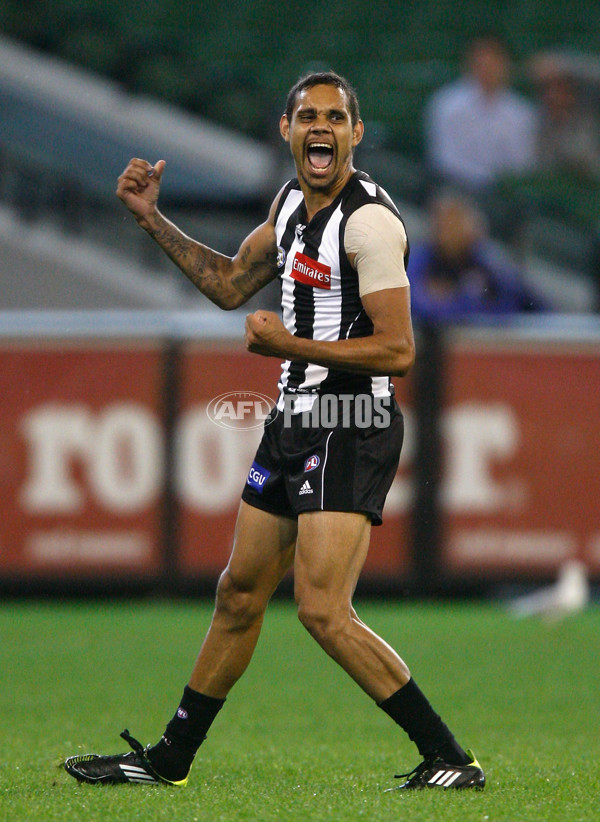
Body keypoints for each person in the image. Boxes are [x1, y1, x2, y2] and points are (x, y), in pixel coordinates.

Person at [63, 71, 485, 792]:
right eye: (306, 116)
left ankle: (448, 756)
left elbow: (399, 350)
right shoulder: (290, 203)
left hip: (352, 420)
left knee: (322, 610)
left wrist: (290, 346)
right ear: (286, 131)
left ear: (354, 134)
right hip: (295, 420)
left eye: (335, 118)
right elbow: (230, 284)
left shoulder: (370, 222)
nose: (320, 128)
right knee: (239, 591)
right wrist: (148, 216)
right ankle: (167, 760)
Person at [409, 191, 545, 323]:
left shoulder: (491, 265)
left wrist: (460, 297)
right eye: (444, 222)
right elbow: (419, 307)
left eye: (458, 221)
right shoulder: (419, 261)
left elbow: (518, 307)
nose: (451, 230)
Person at [425, 34, 536, 194]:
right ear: (470, 64)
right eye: (482, 62)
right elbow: (444, 159)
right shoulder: (446, 104)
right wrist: (485, 181)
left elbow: (523, 163)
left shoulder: (522, 111)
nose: (488, 69)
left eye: (494, 62)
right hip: (458, 189)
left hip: (507, 194)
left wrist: (500, 184)